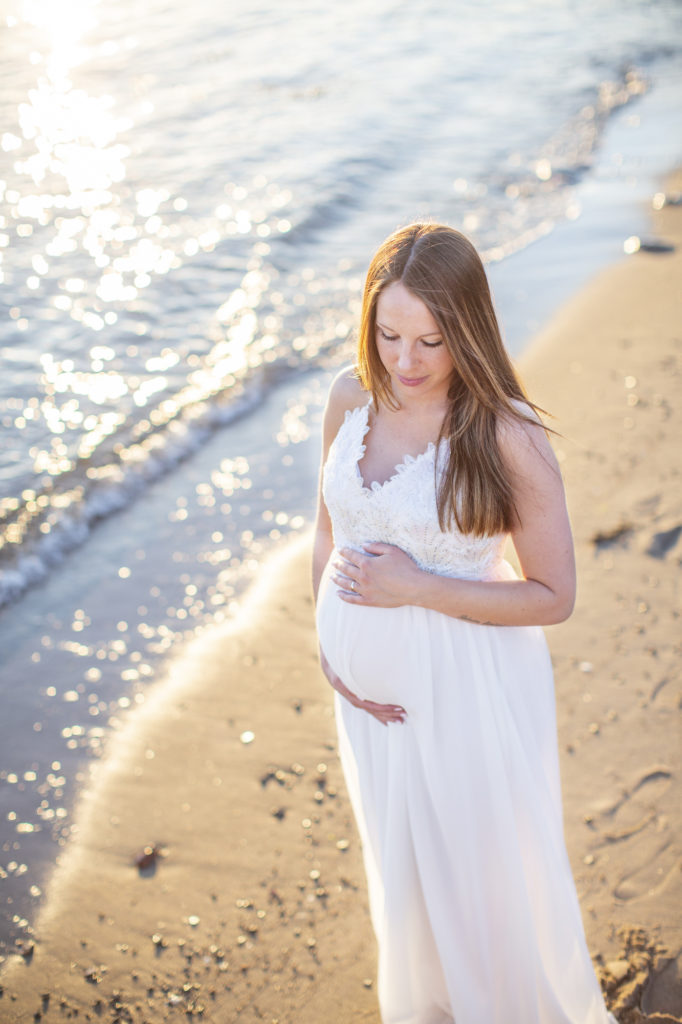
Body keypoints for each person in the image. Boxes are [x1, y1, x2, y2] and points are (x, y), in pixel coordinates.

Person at [312, 223, 618, 1024]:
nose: (405, 362)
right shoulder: (349, 398)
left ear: (468, 331)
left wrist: (415, 587)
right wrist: (332, 655)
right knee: (406, 875)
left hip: (470, 695)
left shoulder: (506, 434)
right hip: (366, 707)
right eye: (389, 335)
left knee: (480, 890)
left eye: (431, 341)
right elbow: (328, 529)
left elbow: (553, 595)